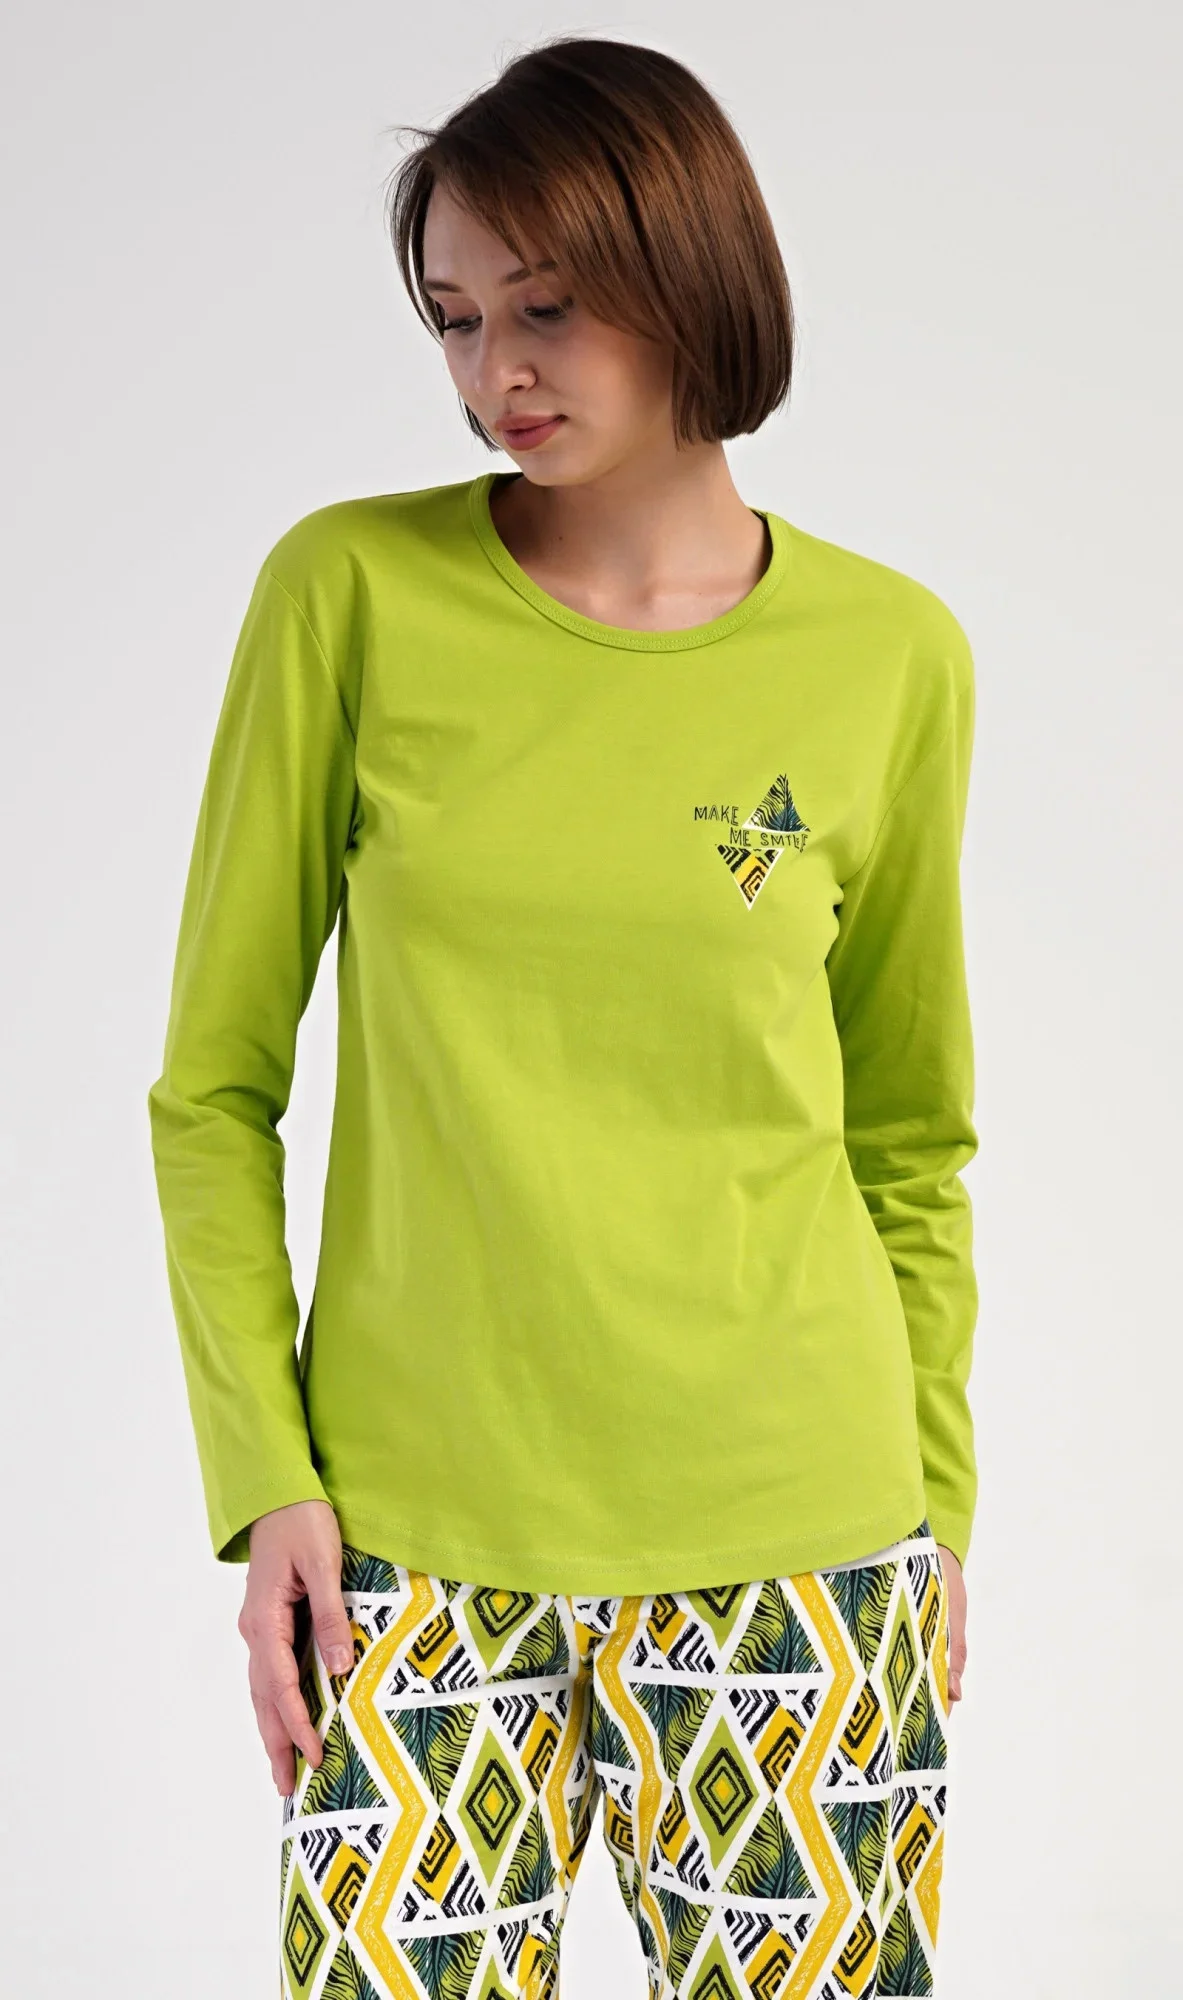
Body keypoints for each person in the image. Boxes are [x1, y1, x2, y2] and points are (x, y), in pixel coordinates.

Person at [147, 33, 977, 2000]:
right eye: (454, 317)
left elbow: (908, 1137)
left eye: (546, 306)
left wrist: (934, 1507)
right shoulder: (349, 596)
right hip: (410, 1548)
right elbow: (212, 1092)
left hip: (801, 1535)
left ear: (690, 275)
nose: (493, 370)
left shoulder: (891, 658)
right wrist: (267, 1478)